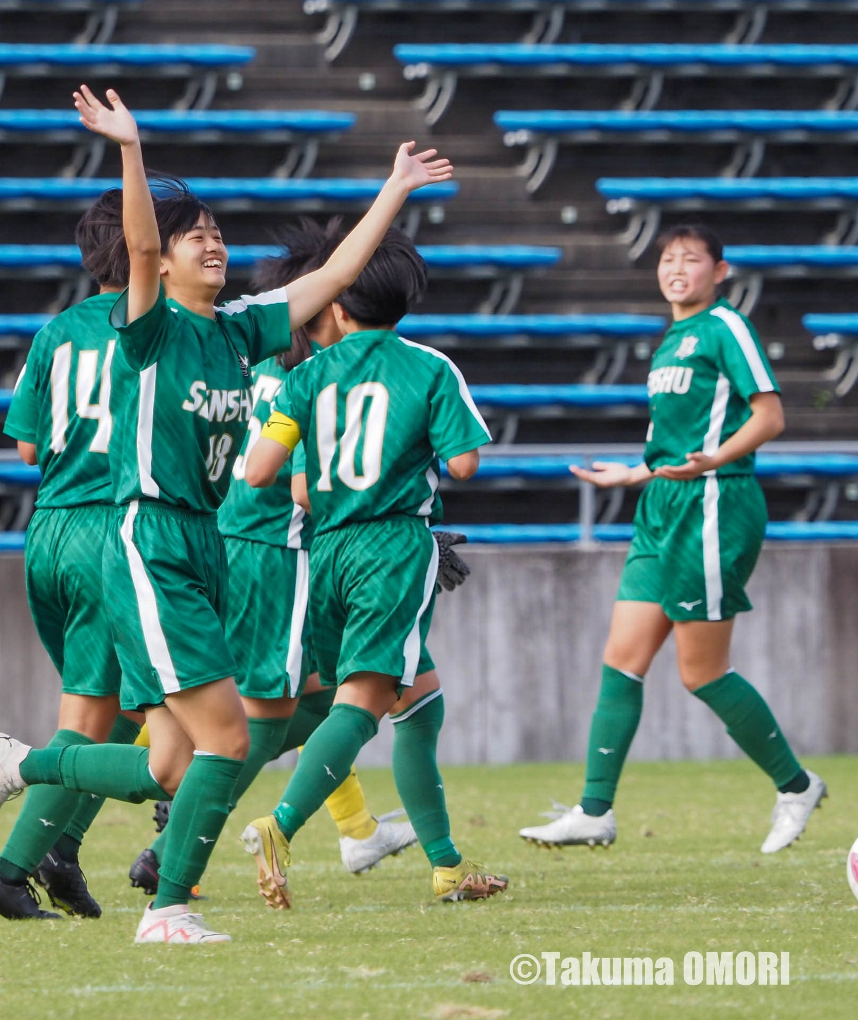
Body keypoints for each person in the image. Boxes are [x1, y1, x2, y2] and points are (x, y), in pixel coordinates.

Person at [0, 84, 453, 945]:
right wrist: (131, 147)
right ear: (163, 261)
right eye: (196, 236)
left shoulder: (238, 329)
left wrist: (395, 188)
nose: (213, 242)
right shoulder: (150, 325)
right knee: (228, 740)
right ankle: (167, 909)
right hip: (149, 537)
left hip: (204, 542)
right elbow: (139, 243)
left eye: (217, 231)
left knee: (171, 763)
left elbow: (336, 278)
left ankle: (23, 764)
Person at [126, 219, 474, 894]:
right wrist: (404, 520)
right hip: (285, 554)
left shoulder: (259, 360)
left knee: (343, 697)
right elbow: (300, 487)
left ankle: (369, 833)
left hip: (253, 545)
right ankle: (177, 841)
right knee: (270, 718)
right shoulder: (321, 372)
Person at [518, 223, 824, 853]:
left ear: (720, 270)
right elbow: (677, 442)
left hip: (714, 504)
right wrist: (635, 473)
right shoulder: (670, 340)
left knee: (701, 673)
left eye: (691, 258)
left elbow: (769, 416)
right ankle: (594, 810)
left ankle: (796, 786)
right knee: (621, 660)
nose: (677, 268)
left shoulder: (726, 326)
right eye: (668, 259)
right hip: (662, 504)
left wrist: (716, 459)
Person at [238, 226, 508, 908]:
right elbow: (465, 463)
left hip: (326, 553)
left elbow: (270, 475)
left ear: (337, 304)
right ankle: (280, 825)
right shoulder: (428, 366)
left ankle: (447, 865)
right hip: (391, 546)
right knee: (361, 706)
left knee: (419, 700)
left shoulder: (306, 375)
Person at [0, 188, 146, 921]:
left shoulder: (54, 332)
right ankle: (10, 872)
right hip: (107, 529)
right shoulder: (155, 327)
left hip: (49, 525)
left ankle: (60, 847)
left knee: (125, 706)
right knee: (93, 714)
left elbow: (25, 446)